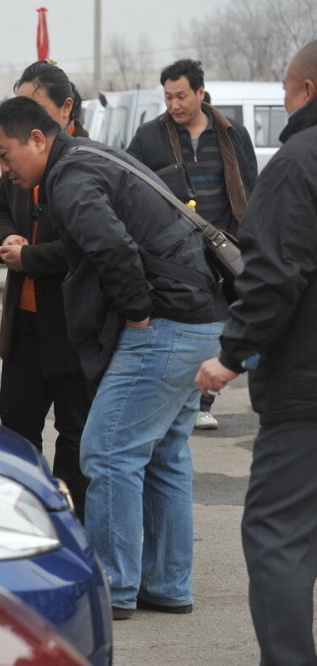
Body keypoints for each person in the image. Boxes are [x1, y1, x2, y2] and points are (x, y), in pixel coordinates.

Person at [0, 95, 226, 620]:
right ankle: (167, 584)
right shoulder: (94, 156)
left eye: (5, 154)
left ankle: (112, 586)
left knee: (106, 451)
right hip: (202, 316)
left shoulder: (70, 178)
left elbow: (112, 249)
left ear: (39, 138)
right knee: (165, 456)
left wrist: (138, 313)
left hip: (166, 323)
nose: (4, 168)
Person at [195, 39, 317, 664]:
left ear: (306, 90)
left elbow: (273, 276)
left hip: (305, 393)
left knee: (278, 536)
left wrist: (231, 355)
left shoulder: (298, 162)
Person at [0, 61, 92, 518]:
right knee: (18, 428)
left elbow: (87, 248)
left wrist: (30, 257)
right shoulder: (16, 161)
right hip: (24, 322)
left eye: (36, 105)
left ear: (64, 109)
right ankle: (25, 520)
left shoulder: (85, 163)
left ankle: (69, 523)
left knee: (76, 435)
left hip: (72, 323)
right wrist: (6, 237)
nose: (27, 114)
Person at [127, 58, 258, 431]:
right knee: (185, 322)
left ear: (200, 92)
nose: (174, 105)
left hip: (226, 245)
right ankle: (187, 398)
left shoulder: (233, 134)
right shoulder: (149, 136)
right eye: (168, 97)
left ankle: (203, 400)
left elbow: (252, 184)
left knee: (221, 322)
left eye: (181, 96)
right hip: (175, 249)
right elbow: (131, 184)